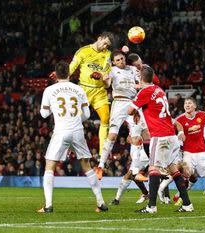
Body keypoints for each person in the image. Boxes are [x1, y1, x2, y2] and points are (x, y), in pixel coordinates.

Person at [38, 61, 107, 213]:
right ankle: (101, 203)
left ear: (55, 74)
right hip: (77, 131)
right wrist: (75, 119)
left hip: (61, 131)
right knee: (87, 166)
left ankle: (48, 205)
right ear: (69, 74)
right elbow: (87, 114)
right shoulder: (79, 89)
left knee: (50, 166)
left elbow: (43, 114)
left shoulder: (49, 90)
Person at [127, 64, 193, 213]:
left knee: (153, 168)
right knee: (173, 169)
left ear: (140, 78)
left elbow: (129, 110)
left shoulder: (145, 91)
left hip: (160, 135)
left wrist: (136, 107)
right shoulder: (159, 89)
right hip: (171, 135)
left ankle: (151, 206)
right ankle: (187, 204)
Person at [94, 50, 149, 203]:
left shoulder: (133, 70)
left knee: (138, 138)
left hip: (133, 103)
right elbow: (107, 83)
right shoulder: (112, 71)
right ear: (114, 62)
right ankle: (100, 166)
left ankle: (138, 171)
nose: (120, 62)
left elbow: (142, 84)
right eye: (117, 60)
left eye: (122, 59)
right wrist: (103, 80)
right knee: (112, 135)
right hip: (118, 103)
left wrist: (137, 87)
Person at [69, 31, 115, 160]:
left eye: (108, 45)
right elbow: (71, 68)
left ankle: (102, 153)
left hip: (99, 91)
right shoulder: (83, 51)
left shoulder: (108, 55)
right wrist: (62, 76)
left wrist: (102, 77)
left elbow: (107, 82)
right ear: (99, 38)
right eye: (105, 43)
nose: (106, 46)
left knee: (106, 119)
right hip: (83, 90)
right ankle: (68, 147)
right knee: (73, 119)